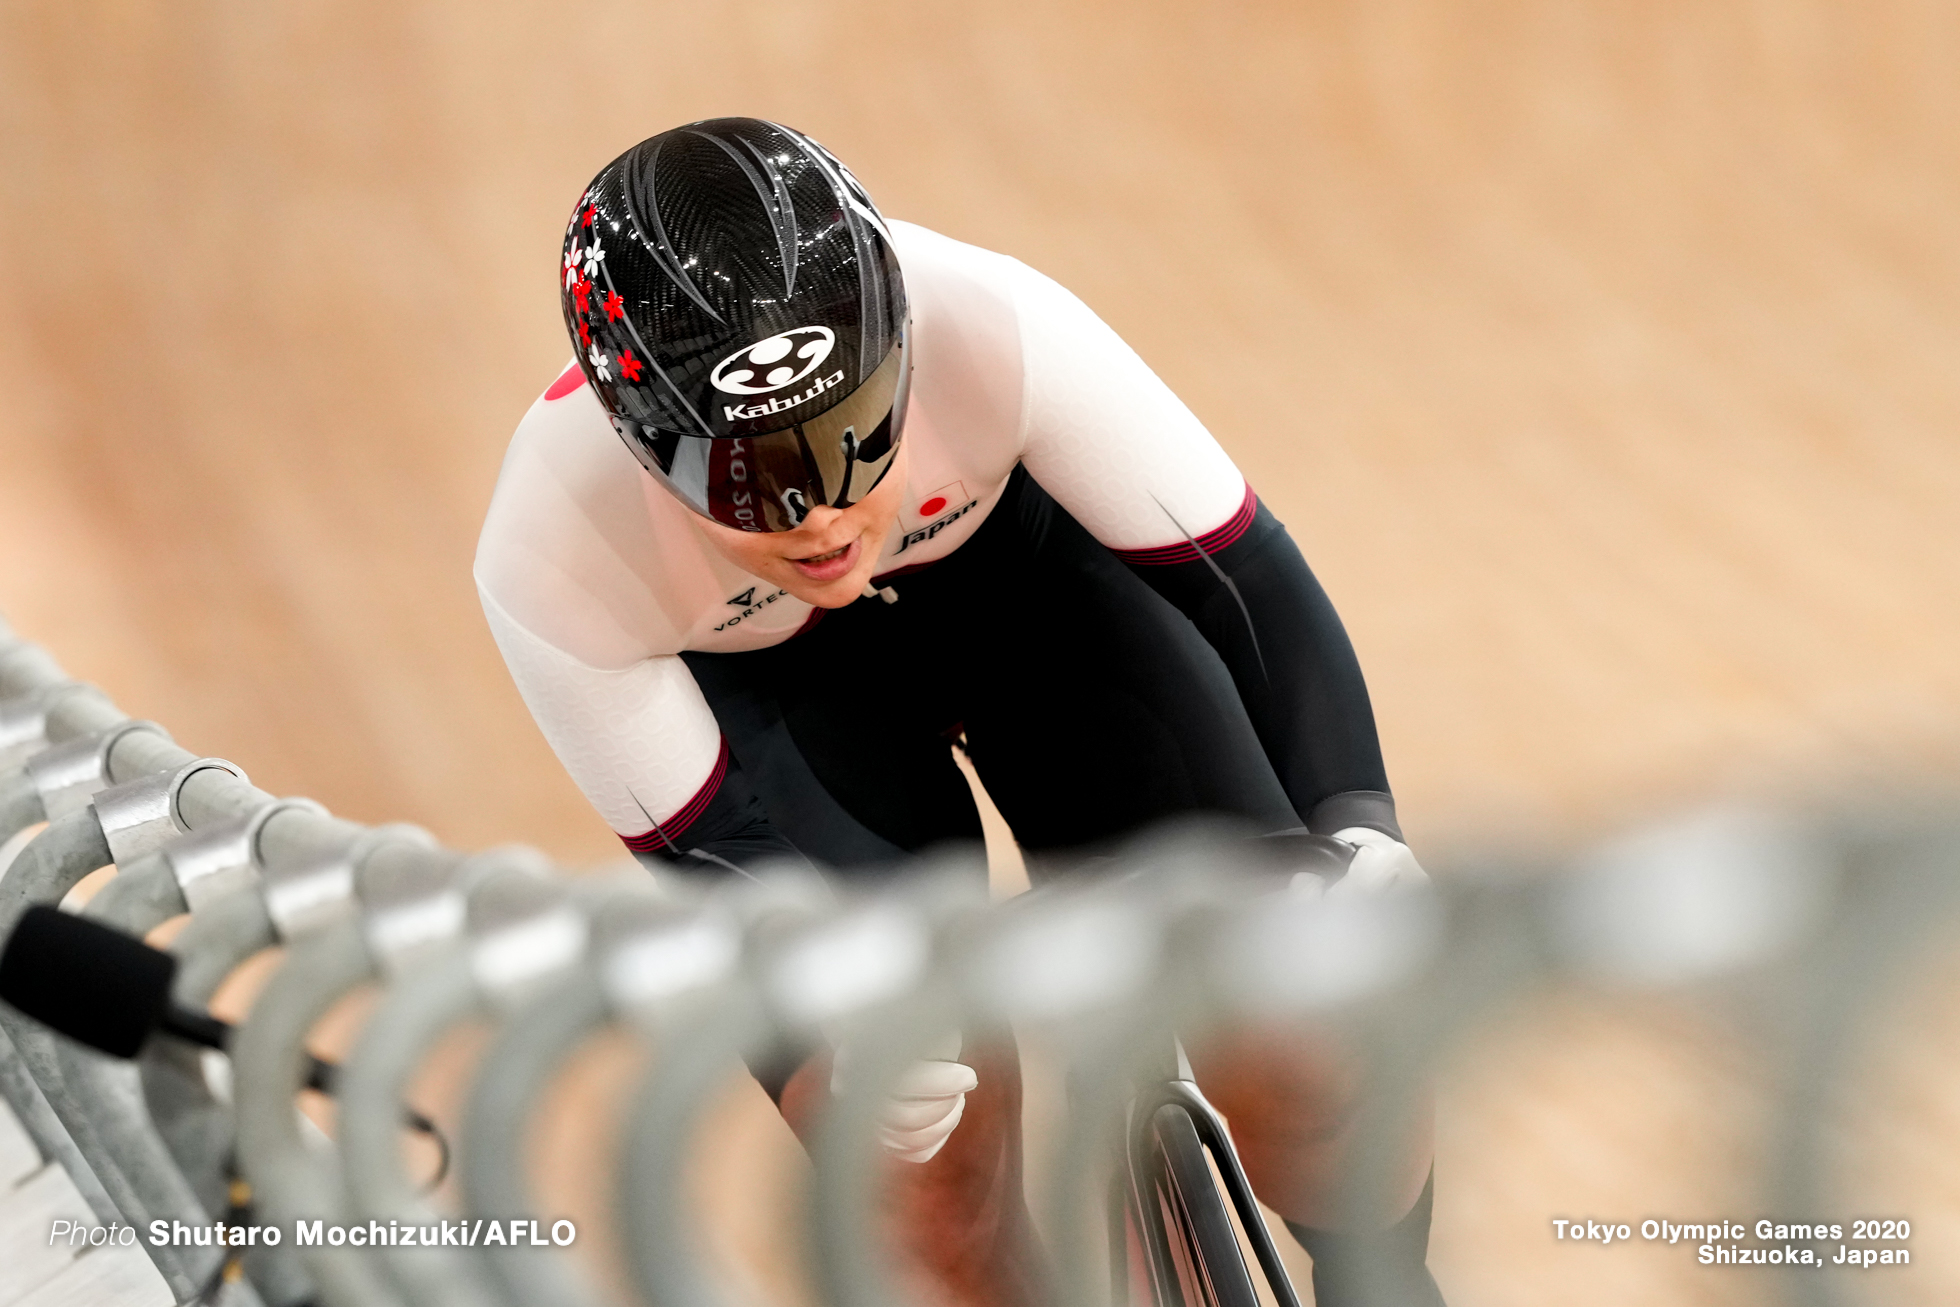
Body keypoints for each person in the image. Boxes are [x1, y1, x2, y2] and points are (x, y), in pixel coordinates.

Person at [476, 117, 1443, 1306]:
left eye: (854, 438)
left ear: (905, 353)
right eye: (751, 480)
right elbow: (715, 857)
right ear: (636, 441)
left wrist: (1356, 820)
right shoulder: (550, 551)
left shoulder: (997, 323)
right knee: (914, 1156)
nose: (823, 518)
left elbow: (1245, 587)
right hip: (792, 708)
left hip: (1036, 612)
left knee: (1312, 1037)